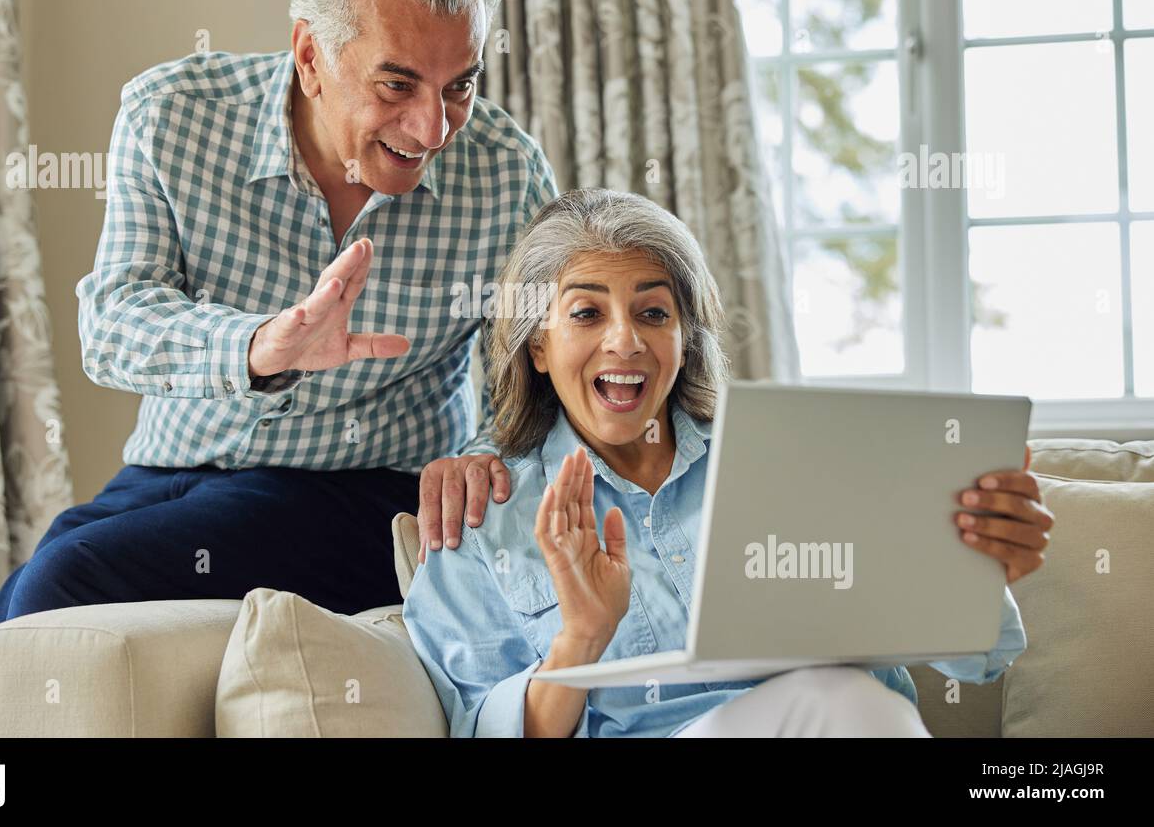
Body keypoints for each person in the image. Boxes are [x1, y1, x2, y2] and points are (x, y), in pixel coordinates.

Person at [0, 0, 553, 737]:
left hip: (358, 492)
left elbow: (544, 372)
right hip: (166, 478)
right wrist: (255, 348)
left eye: (458, 84)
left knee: (60, 583)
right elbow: (112, 322)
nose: (433, 127)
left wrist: (480, 456)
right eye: (398, 83)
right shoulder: (172, 114)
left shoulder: (504, 173)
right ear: (311, 56)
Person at [402, 189, 1054, 737]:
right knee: (840, 701)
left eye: (653, 312)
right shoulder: (481, 515)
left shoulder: (801, 461)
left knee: (844, 699)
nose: (624, 339)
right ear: (538, 347)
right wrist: (581, 638)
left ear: (684, 341)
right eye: (586, 312)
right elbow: (475, 725)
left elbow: (979, 661)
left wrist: (973, 565)